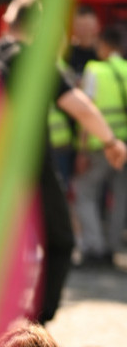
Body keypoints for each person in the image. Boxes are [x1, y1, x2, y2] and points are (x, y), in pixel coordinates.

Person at [0, 0, 126, 324]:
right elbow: (80, 107)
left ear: (7, 22)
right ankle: (36, 323)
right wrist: (111, 141)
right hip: (31, 166)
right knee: (60, 240)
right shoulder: (34, 59)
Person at [74, 23, 127, 268]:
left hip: (100, 144)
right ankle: (112, 247)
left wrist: (83, 150)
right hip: (124, 146)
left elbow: (86, 111)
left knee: (84, 192)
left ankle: (94, 247)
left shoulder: (94, 70)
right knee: (121, 196)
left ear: (105, 46)